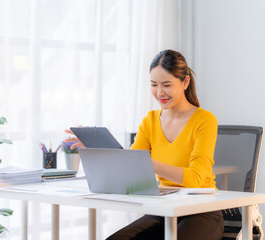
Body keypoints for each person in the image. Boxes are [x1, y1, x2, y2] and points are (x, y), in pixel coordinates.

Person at [66, 50, 224, 240]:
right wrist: (96, 147)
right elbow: (130, 171)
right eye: (154, 85)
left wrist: (146, 162)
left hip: (202, 212)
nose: (159, 92)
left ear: (185, 82)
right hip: (163, 210)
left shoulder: (204, 120)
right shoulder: (149, 120)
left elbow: (195, 179)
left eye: (166, 85)